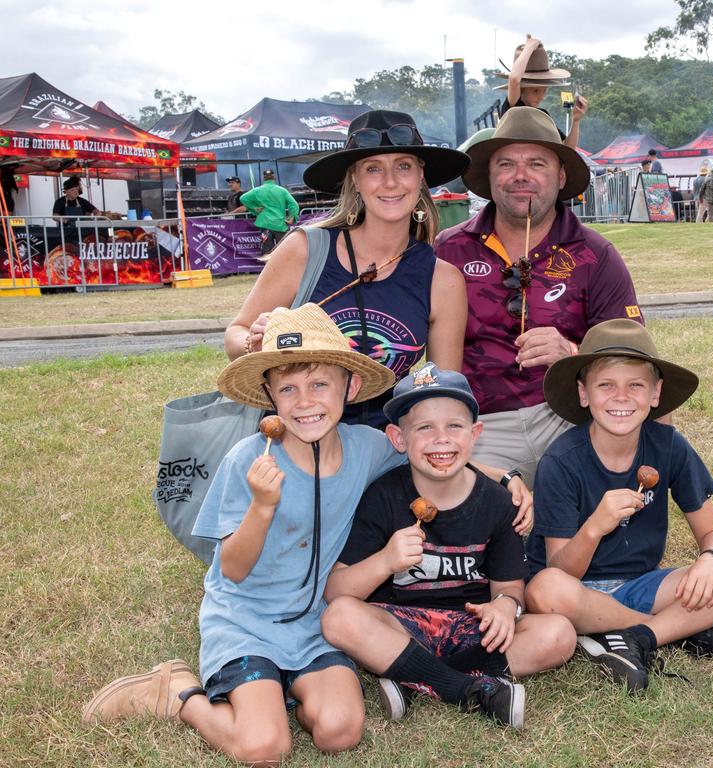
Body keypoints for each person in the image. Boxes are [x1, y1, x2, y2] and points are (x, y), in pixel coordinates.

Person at [82, 304, 406, 761]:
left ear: (350, 386)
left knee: (340, 731)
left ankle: (283, 689)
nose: (306, 401)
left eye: (319, 384)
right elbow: (230, 569)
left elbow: (430, 459)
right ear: (269, 396)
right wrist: (262, 506)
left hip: (314, 624)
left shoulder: (367, 448)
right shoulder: (248, 459)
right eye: (288, 388)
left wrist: (507, 482)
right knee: (263, 748)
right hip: (245, 621)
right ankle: (177, 694)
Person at [523, 319, 713, 694]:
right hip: (576, 593)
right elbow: (560, 570)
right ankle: (682, 628)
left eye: (635, 385)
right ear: (583, 393)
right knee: (545, 590)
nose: (621, 397)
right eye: (606, 385)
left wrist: (710, 560)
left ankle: (640, 637)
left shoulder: (669, 445)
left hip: (642, 584)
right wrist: (594, 527)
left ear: (655, 394)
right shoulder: (561, 461)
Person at [321, 364, 575, 730]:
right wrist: (385, 561)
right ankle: (466, 689)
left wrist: (504, 608)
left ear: (475, 434)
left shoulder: (496, 502)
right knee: (340, 618)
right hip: (402, 627)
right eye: (424, 428)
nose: (441, 439)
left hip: (473, 629)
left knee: (559, 634)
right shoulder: (383, 496)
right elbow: (336, 592)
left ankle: (410, 675)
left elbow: (508, 588)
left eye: (454, 426)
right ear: (398, 438)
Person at [435, 106, 643, 484]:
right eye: (506, 164)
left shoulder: (594, 254)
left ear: (561, 176)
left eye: (536, 164)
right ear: (489, 175)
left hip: (566, 416)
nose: (520, 176)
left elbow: (635, 359)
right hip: (478, 423)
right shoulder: (448, 250)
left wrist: (572, 354)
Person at [225, 110, 471, 428]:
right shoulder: (305, 249)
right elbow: (236, 333)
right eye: (373, 169)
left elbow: (442, 393)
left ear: (420, 175)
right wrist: (253, 344)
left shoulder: (443, 280)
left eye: (404, 166)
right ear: (354, 178)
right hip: (296, 442)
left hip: (384, 453)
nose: (391, 181)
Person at [497, 35, 588, 149]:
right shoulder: (513, 108)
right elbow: (514, 79)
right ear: (521, 89)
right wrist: (530, 47)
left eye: (544, 91)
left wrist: (576, 120)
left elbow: (567, 148)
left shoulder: (543, 117)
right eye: (535, 91)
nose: (541, 96)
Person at [240, 168, 299, 255]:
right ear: (274, 177)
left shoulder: (257, 190)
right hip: (280, 224)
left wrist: (254, 208)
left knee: (267, 253)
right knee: (284, 252)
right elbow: (294, 204)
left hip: (265, 225)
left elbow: (243, 198)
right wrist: (292, 217)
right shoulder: (282, 190)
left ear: (264, 178)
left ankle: (270, 268)